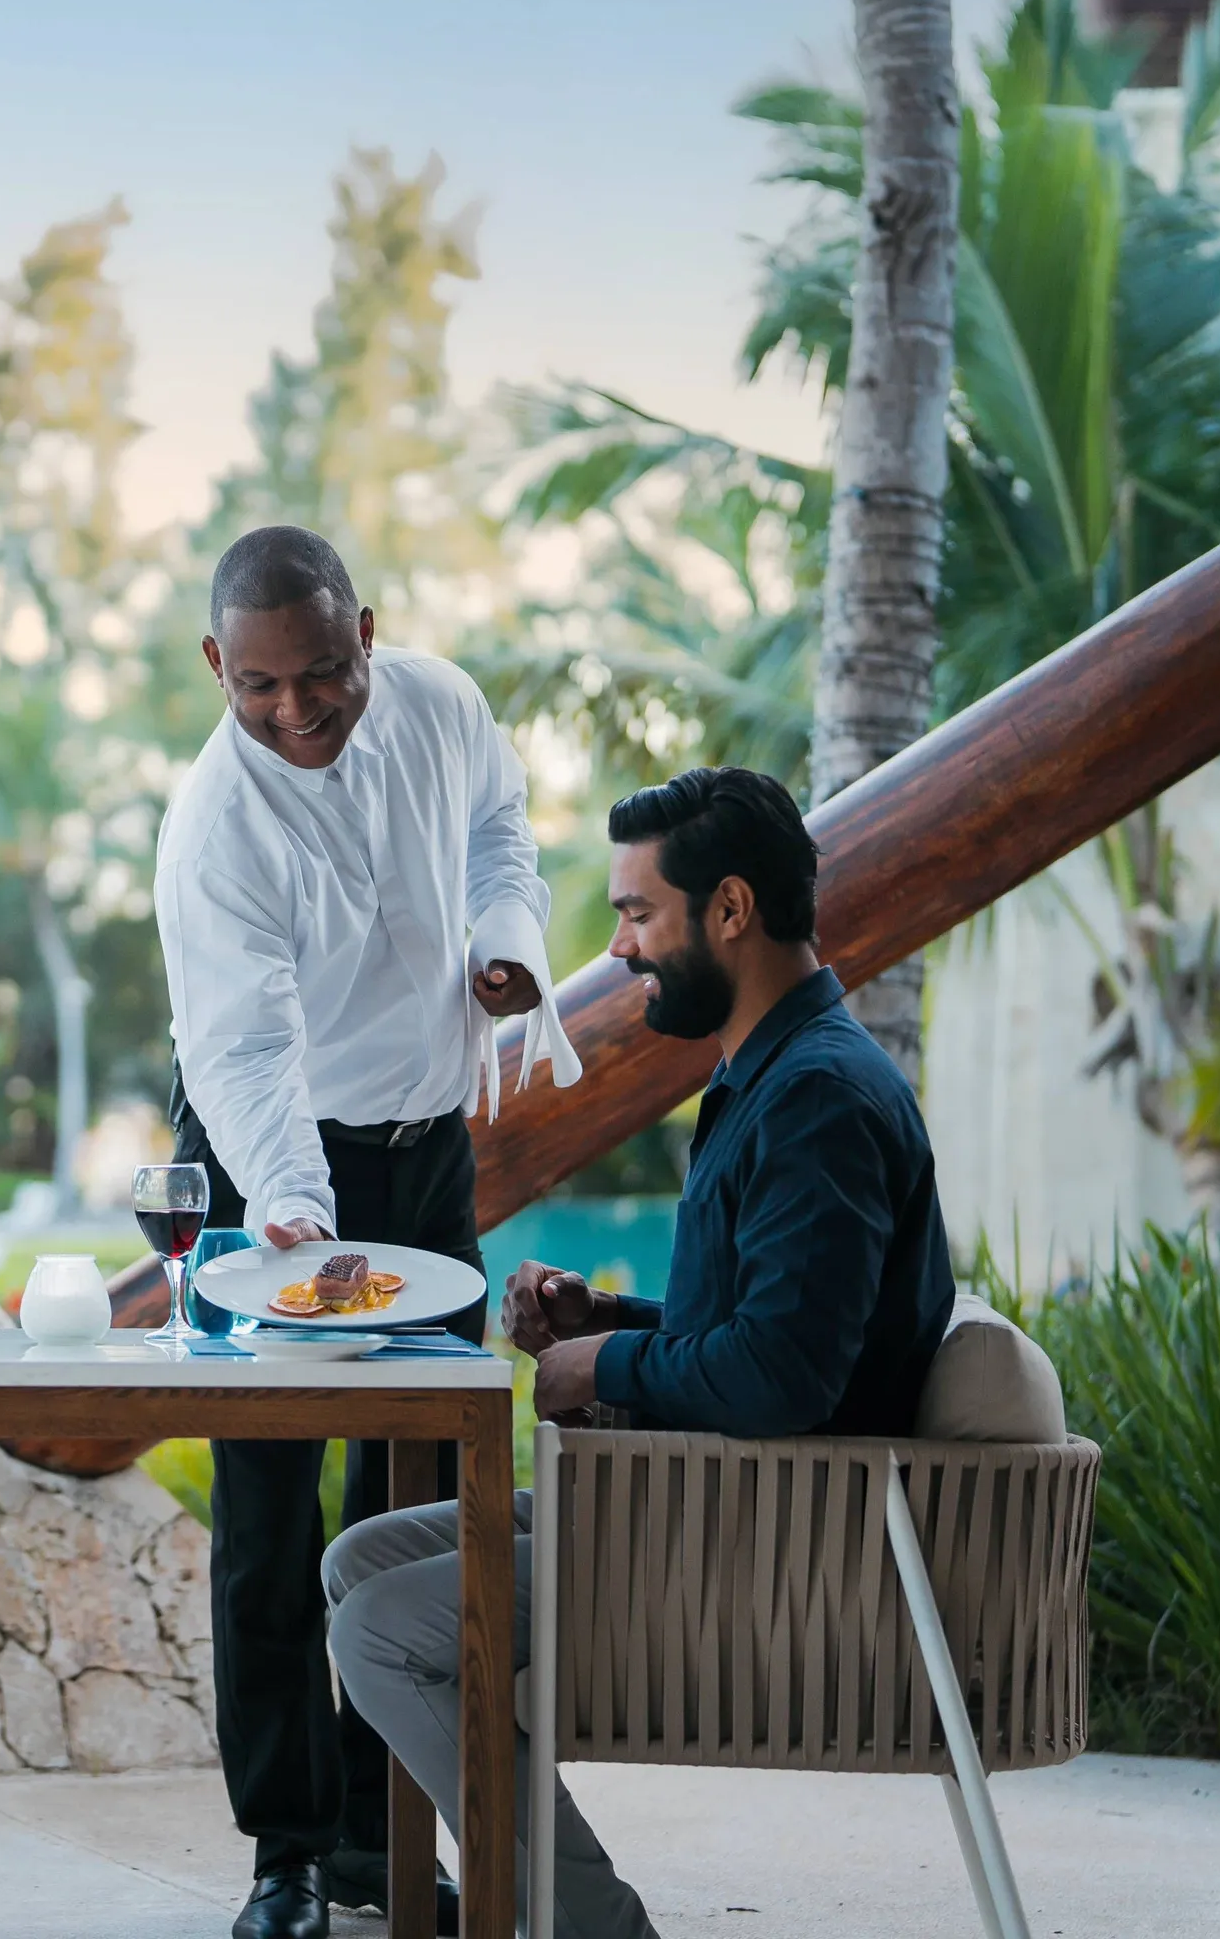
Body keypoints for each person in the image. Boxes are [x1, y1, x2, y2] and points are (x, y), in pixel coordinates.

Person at [320, 767, 957, 1938]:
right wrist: (603, 1316)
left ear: (731, 909)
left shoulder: (817, 1098)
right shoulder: (773, 1075)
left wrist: (600, 1369)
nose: (618, 948)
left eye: (637, 913)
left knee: (380, 1629)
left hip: (765, 1549)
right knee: (362, 1558)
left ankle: (597, 1926)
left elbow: (784, 1376)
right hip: (717, 1501)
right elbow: (772, 1325)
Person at [154, 525, 581, 1939]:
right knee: (270, 1508)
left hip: (424, 1144)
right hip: (263, 1147)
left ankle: (381, 1838)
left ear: (369, 636)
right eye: (260, 685)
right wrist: (288, 1216)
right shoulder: (215, 828)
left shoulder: (444, 705)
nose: (298, 709)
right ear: (216, 665)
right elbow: (246, 1050)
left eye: (324, 673)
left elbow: (499, 825)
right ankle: (287, 1851)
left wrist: (503, 940)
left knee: (417, 1499)